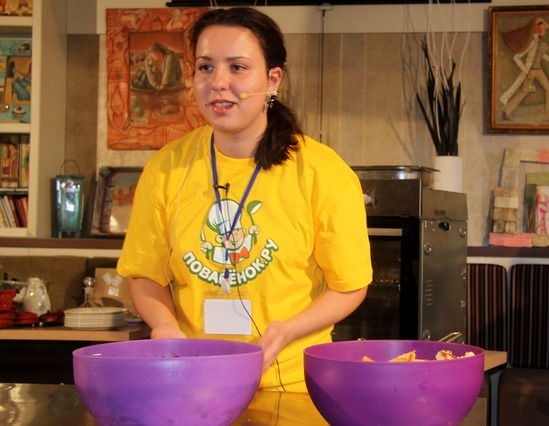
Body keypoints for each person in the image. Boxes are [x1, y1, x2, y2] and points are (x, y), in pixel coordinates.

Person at [116, 7, 372, 393]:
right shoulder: (166, 168)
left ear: (273, 79)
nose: (218, 82)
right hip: (194, 382)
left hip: (292, 386)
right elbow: (146, 276)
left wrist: (287, 330)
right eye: (206, 67)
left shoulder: (323, 172)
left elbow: (349, 286)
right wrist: (165, 326)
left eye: (237, 67)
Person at [499, 17, 549, 122]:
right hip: (531, 71)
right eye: (542, 25)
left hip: (539, 70)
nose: (545, 28)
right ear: (536, 27)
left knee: (548, 88)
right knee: (524, 92)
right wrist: (527, 72)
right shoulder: (532, 43)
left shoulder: (541, 44)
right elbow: (516, 58)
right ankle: (505, 111)